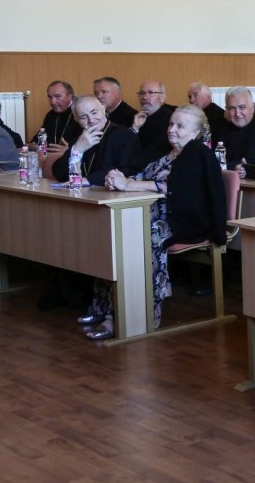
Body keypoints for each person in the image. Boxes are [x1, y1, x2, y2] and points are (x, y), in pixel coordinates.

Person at [86, 105, 227, 340]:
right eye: (171, 124)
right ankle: (104, 308)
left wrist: (129, 186)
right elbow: (143, 174)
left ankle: (143, 313)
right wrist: (121, 179)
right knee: (112, 231)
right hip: (151, 213)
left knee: (142, 235)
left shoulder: (198, 153)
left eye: (180, 126)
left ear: (196, 132)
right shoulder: (166, 150)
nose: (172, 129)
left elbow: (178, 189)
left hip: (183, 220)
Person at [51, 95, 141, 185]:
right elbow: (59, 173)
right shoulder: (80, 138)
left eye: (94, 113)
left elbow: (128, 170)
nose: (91, 120)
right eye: (83, 117)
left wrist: (88, 180)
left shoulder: (124, 135)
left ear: (103, 109)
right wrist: (76, 150)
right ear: (76, 120)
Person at [130, 81, 176, 166]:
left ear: (162, 98)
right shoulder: (137, 117)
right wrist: (135, 128)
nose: (145, 97)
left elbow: (154, 153)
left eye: (151, 93)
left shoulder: (170, 119)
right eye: (142, 93)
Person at [37, 80, 81, 158]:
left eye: (57, 96)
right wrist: (34, 145)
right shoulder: (50, 115)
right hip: (51, 157)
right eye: (50, 97)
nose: (52, 102)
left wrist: (70, 149)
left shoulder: (80, 113)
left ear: (70, 96)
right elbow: (41, 136)